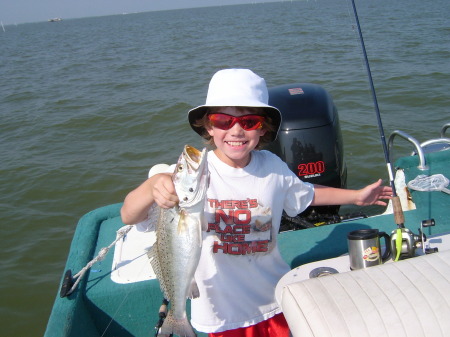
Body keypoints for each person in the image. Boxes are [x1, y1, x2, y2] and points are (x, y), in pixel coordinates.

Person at [121, 69, 393, 337]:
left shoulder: (273, 167)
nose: (236, 130)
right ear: (209, 126)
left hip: (276, 298)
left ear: (263, 127)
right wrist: (152, 184)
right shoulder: (187, 177)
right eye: (223, 120)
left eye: (249, 122)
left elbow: (307, 193)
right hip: (222, 315)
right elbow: (129, 215)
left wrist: (356, 196)